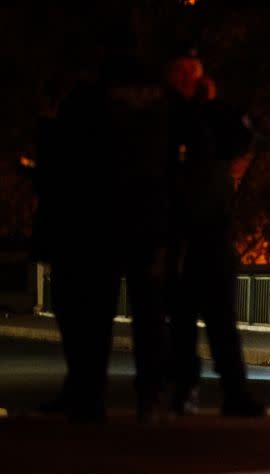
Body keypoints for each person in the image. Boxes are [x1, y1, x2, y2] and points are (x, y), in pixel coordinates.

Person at [36, 26, 172, 422]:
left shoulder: (88, 96)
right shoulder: (160, 98)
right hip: (149, 215)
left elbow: (67, 156)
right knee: (149, 313)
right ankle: (151, 396)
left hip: (101, 217)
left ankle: (89, 395)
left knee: (93, 314)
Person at [165, 48, 265, 417]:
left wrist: (210, 104)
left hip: (207, 231)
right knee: (185, 322)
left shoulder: (209, 117)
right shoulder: (172, 116)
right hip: (183, 233)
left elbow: (241, 137)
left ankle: (230, 392)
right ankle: (188, 389)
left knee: (217, 320)